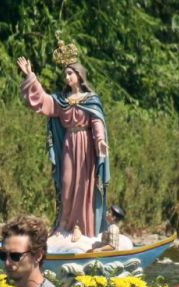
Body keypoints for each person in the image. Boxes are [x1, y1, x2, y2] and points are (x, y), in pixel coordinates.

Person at [16, 39, 110, 238]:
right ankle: (64, 224)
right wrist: (30, 76)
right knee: (66, 183)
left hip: (86, 146)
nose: (67, 77)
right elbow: (43, 101)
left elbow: (97, 122)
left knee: (84, 185)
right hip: (69, 143)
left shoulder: (91, 99)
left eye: (70, 73)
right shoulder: (62, 100)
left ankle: (81, 227)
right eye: (65, 74)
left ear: (79, 75)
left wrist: (100, 141)